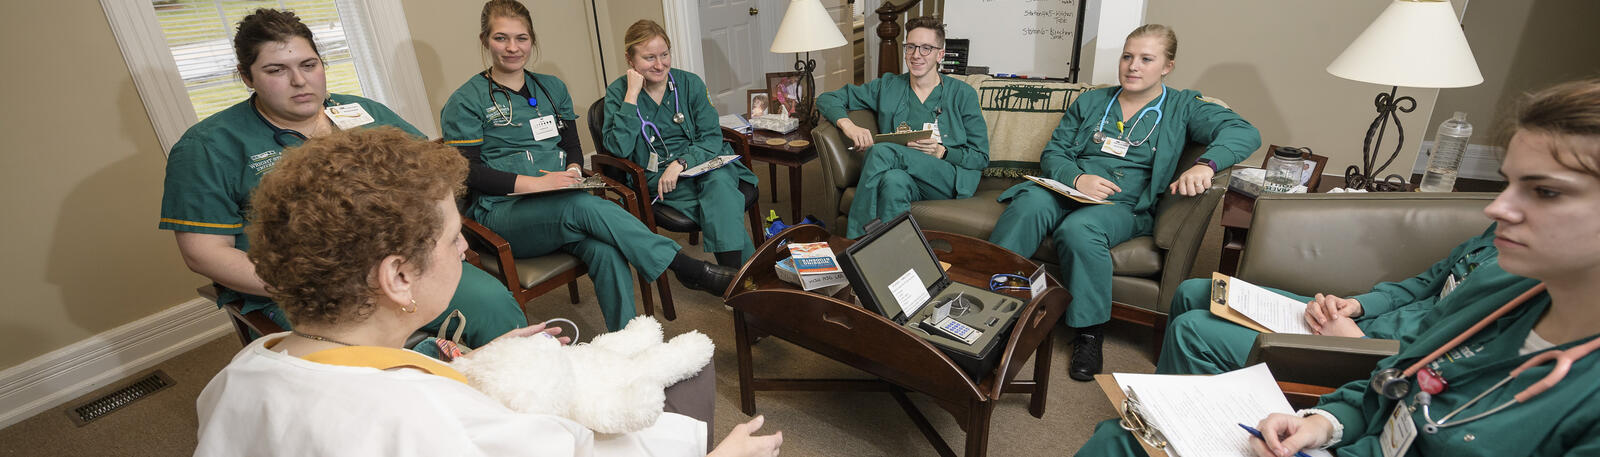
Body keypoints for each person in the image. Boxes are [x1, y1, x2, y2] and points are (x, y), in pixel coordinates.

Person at [1078, 79, 1600, 457]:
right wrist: (1322, 423)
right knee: (1120, 434)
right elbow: (1384, 389)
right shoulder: (1498, 295)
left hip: (1361, 351)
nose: (1497, 208)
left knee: (1166, 371)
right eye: (1507, 183)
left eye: (1546, 192)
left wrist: (1353, 340)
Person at [194, 127, 783, 456]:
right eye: (452, 239)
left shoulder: (241, 371)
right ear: (398, 277)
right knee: (691, 370)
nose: (464, 250)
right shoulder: (424, 423)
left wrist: (465, 364)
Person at [157, 8, 525, 357]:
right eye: (276, 70)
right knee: (380, 369)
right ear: (246, 76)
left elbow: (435, 177)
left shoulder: (364, 113)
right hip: (310, 290)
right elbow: (203, 252)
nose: (299, 81)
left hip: (406, 266)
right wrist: (315, 284)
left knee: (493, 304)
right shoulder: (207, 147)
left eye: (309, 65)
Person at [986, 24, 1261, 381]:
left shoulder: (1182, 107)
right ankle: (992, 303)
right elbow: (1055, 151)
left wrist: (1206, 166)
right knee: (1028, 206)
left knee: (1080, 230)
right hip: (1067, 188)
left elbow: (1245, 132)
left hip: (1123, 206)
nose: (1133, 66)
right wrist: (1076, 178)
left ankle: (1088, 331)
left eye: (1146, 59)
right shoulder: (1093, 101)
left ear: (1167, 67)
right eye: (1128, 56)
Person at [440, 1, 736, 332]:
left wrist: (573, 169)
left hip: (559, 201)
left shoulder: (551, 89)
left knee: (607, 250)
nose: (512, 48)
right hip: (505, 213)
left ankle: (628, 343)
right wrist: (536, 183)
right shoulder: (465, 101)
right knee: (585, 205)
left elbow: (570, 145)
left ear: (532, 40)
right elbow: (468, 173)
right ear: (485, 40)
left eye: (521, 38)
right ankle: (683, 266)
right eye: (501, 38)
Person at [1156, 225, 1512, 375]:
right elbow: (1423, 284)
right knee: (1195, 291)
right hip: (1359, 323)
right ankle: (1169, 402)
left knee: (1193, 331)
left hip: (1372, 355)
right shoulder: (1498, 232)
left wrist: (1355, 341)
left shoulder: (1522, 283)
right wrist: (1357, 306)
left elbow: (1447, 361)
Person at [602, 19, 760, 267]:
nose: (660, 64)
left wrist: (681, 162)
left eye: (664, 54)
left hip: (707, 161)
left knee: (718, 184)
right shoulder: (618, 92)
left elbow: (711, 137)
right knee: (722, 203)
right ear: (630, 60)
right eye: (649, 57)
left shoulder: (689, 83)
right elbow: (618, 148)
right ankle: (749, 281)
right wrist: (631, 96)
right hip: (659, 177)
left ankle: (733, 281)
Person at [816, 15, 991, 239]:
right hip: (905, 175)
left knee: (880, 151)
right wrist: (848, 126)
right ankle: (896, 260)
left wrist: (942, 151)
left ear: (940, 54)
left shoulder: (962, 94)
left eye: (926, 48)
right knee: (892, 182)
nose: (916, 55)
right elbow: (827, 99)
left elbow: (980, 157)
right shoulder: (888, 86)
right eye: (911, 47)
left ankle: (853, 242)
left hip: (946, 177)